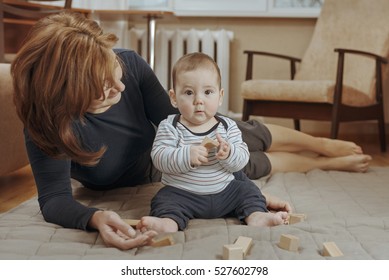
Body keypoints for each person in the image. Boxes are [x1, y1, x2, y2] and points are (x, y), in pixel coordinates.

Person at [11, 12, 371, 250]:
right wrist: (94, 217)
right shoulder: (49, 126)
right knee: (254, 165)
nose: (118, 90)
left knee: (243, 136)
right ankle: (329, 164)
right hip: (164, 164)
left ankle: (321, 144)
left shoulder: (130, 66)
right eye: (102, 89)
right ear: (67, 96)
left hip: (176, 146)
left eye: (115, 75)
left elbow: (178, 119)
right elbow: (55, 200)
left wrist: (231, 180)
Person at [138, 52, 289, 233]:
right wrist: (187, 155)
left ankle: (256, 215)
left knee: (249, 191)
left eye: (208, 92)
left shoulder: (227, 126)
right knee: (164, 199)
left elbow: (242, 159)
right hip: (183, 193)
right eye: (188, 92)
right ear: (173, 98)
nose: (199, 100)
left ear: (220, 96)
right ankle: (168, 222)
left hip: (225, 192)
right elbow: (159, 157)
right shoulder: (170, 126)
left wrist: (229, 153)